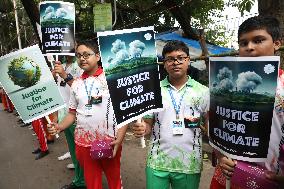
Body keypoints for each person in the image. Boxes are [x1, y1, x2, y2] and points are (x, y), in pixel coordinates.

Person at [210, 16, 284, 189]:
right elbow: (215, 127)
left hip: (269, 180)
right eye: (243, 43)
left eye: (258, 40)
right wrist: (220, 156)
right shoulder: (223, 86)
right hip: (226, 177)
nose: (249, 47)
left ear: (277, 43)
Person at [48, 39, 127, 189]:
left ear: (97, 56)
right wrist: (59, 126)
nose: (82, 58)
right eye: (79, 55)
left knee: (114, 180)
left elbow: (124, 111)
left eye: (86, 54)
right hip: (83, 143)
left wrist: (120, 138)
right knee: (92, 182)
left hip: (109, 141)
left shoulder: (111, 79)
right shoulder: (76, 84)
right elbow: (72, 114)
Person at [132, 40, 209, 189]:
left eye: (180, 58)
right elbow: (148, 124)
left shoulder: (203, 92)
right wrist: (143, 128)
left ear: (188, 60)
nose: (176, 62)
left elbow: (209, 122)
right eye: (170, 59)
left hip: (189, 164)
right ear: (164, 63)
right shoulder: (154, 90)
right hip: (157, 161)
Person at [52, 55, 85, 189]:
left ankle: (82, 181)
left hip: (77, 116)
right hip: (64, 116)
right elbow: (58, 91)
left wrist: (64, 74)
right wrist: (56, 115)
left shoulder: (81, 66)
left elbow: (81, 90)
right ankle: (79, 177)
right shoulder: (62, 64)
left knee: (81, 151)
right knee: (73, 150)